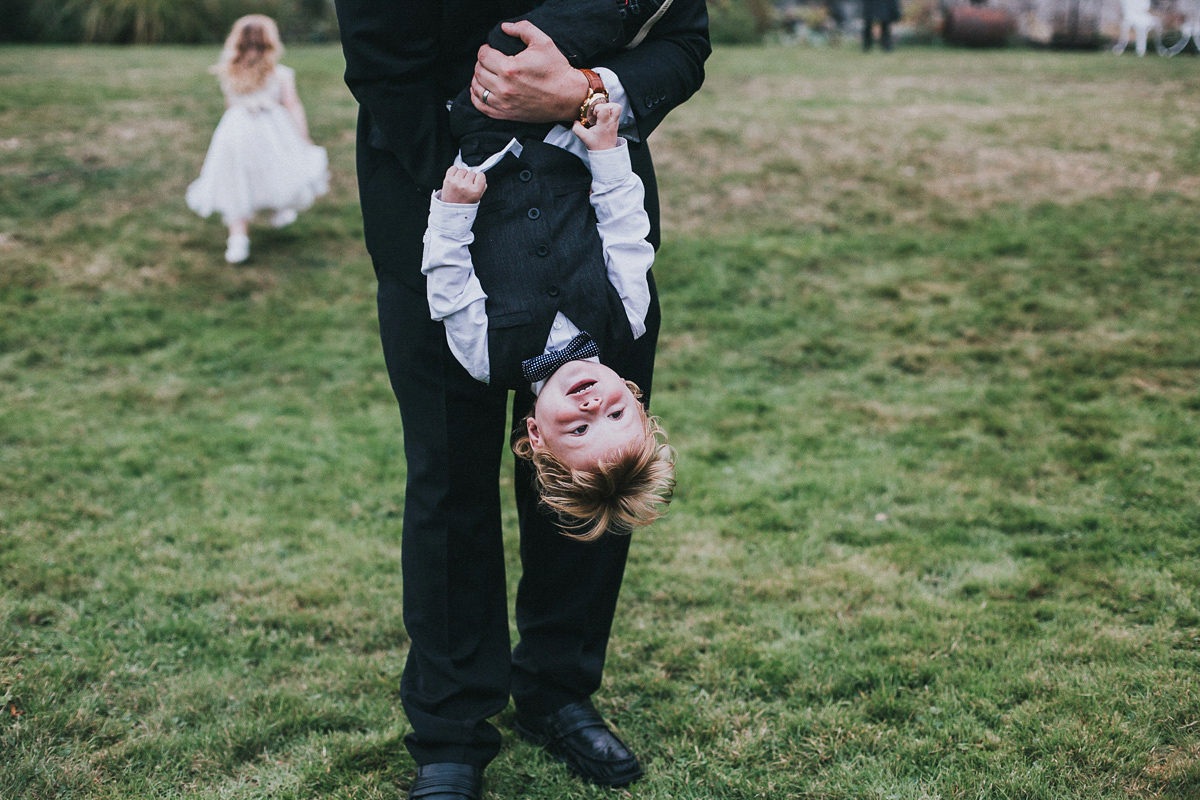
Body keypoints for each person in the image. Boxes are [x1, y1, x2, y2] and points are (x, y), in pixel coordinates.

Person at [332, 0, 709, 797]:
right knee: (447, 480)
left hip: (588, 227)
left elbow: (683, 38)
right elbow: (381, 59)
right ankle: (450, 728)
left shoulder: (616, 356)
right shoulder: (613, 299)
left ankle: (557, 689)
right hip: (435, 197)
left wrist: (580, 91)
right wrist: (476, 166)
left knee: (593, 471)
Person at [423, 99, 675, 542]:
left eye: (579, 429)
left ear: (536, 435)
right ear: (634, 397)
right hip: (562, 136)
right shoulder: (630, 315)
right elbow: (625, 227)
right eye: (617, 413)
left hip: (476, 149)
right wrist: (606, 151)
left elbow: (450, 287)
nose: (594, 408)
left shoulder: (485, 359)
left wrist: (454, 208)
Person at [186, 14, 329, 264]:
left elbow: (230, 105)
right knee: (276, 169)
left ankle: (238, 238)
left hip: (236, 130)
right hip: (273, 129)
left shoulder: (229, 71)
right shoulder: (281, 73)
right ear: (271, 42)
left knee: (237, 178)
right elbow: (292, 105)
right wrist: (302, 136)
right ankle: (277, 210)